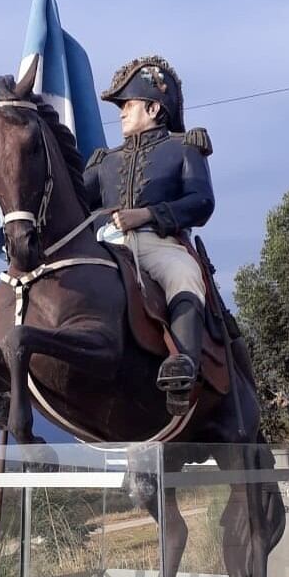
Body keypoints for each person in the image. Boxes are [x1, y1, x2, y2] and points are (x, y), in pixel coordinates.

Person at [84, 55, 215, 415]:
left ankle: (183, 366)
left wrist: (148, 214)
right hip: (107, 246)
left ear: (154, 107)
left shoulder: (183, 147)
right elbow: (77, 201)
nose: (122, 113)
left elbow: (201, 202)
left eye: (128, 105)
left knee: (183, 274)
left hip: (158, 245)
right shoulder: (104, 160)